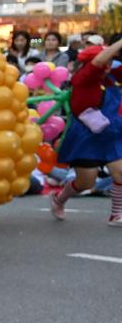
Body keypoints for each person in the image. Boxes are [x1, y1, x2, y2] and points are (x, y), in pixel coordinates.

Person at [48, 33, 122, 225]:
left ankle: (116, 214)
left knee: (120, 172)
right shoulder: (83, 78)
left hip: (111, 133)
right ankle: (59, 199)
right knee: (86, 182)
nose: (108, 64)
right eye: (107, 60)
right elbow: (99, 60)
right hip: (85, 137)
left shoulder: (110, 77)